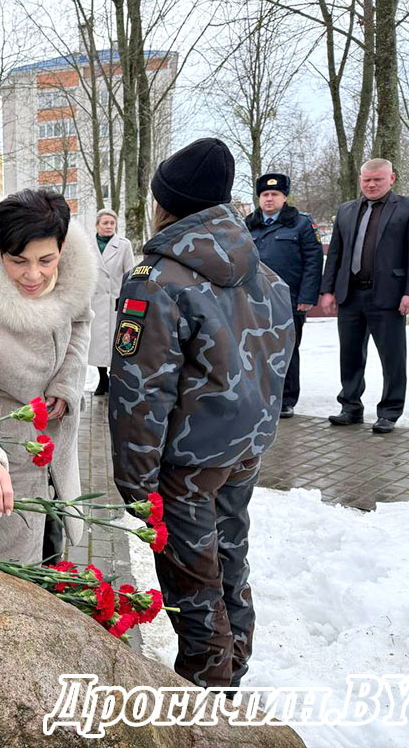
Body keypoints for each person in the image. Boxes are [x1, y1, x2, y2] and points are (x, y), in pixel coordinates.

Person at [109, 138, 294, 690]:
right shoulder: (266, 275)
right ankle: (234, 667)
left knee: (192, 583)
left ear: (165, 202)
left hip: (186, 463)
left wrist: (137, 488)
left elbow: (139, 395)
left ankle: (206, 695)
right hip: (243, 450)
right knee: (231, 558)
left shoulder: (156, 281)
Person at [0, 190, 95, 564]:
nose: (33, 275)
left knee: (53, 546)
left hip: (56, 446)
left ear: (62, 248)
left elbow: (80, 325)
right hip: (8, 453)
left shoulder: (71, 282)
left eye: (46, 260)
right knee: (12, 570)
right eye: (18, 261)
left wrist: (66, 383)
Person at [320, 158, 409, 434]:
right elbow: (335, 254)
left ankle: (389, 412)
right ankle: (350, 407)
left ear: (391, 178)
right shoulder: (346, 210)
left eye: (378, 179)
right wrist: (327, 290)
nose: (371, 184)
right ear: (360, 180)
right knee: (350, 356)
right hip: (350, 295)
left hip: (389, 296)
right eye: (367, 179)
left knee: (392, 359)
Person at [245, 173, 323, 418]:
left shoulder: (301, 223)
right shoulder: (248, 224)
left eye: (275, 194)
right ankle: (260, 396)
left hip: (289, 299)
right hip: (254, 300)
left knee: (287, 349)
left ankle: (286, 399)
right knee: (256, 348)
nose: (269, 199)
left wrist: (307, 297)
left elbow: (313, 262)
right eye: (265, 195)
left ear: (285, 197)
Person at [87, 208, 136, 397]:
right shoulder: (88, 245)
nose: (109, 226)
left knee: (117, 342)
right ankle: (102, 379)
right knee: (98, 344)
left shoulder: (124, 245)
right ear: (97, 225)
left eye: (112, 223)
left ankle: (114, 376)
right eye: (105, 223)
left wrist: (126, 297)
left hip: (115, 301)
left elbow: (130, 273)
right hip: (95, 301)